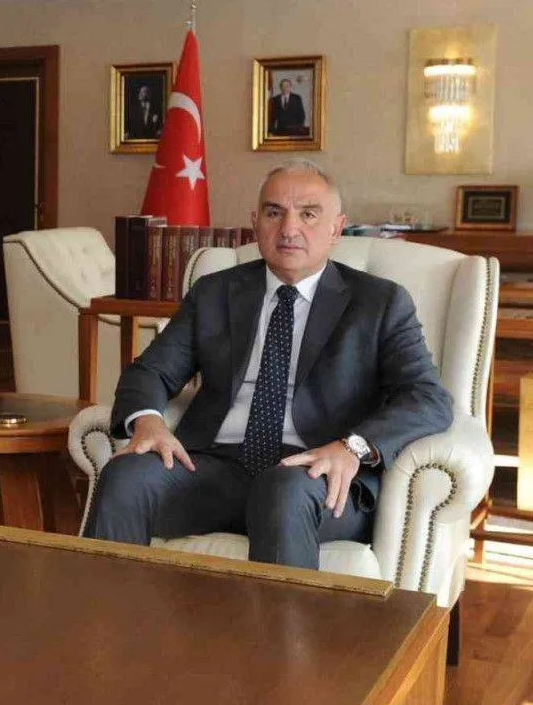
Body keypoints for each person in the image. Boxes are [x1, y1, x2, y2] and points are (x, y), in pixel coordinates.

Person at [84, 160, 453, 569]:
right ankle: (108, 612)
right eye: (274, 212)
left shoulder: (379, 303)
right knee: (126, 477)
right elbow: (150, 370)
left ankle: (282, 617)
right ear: (255, 223)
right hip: (218, 469)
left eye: (308, 214)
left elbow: (428, 398)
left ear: (336, 228)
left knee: (283, 491)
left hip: (314, 476)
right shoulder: (215, 293)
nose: (289, 229)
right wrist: (149, 422)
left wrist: (352, 447)